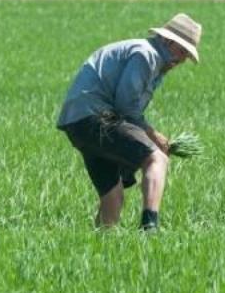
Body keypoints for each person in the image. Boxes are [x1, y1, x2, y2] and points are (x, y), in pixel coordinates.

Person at [56, 13, 201, 231]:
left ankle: (100, 248)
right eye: (182, 52)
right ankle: (150, 228)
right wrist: (153, 135)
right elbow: (126, 106)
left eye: (186, 56)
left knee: (113, 196)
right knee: (157, 159)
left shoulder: (150, 57)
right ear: (169, 41)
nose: (182, 60)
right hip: (97, 117)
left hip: (78, 122)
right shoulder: (146, 55)